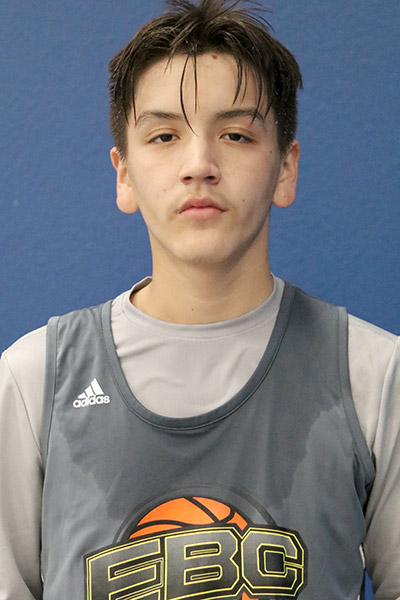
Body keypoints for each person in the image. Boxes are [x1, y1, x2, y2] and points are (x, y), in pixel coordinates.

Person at [0, 0, 399, 598]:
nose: (199, 165)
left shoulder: (375, 376)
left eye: (235, 135)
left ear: (285, 169)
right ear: (124, 174)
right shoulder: (34, 382)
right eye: (164, 136)